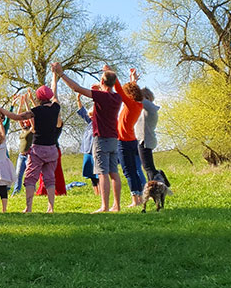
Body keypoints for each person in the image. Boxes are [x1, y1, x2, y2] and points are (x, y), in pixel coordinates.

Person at [54, 62, 123, 213]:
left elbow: (77, 88)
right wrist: (109, 73)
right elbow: (113, 85)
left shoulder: (101, 97)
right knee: (114, 173)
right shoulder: (117, 98)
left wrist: (61, 74)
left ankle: (104, 207)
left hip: (101, 139)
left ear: (102, 82)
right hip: (113, 139)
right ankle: (116, 205)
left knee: (102, 173)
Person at [0, 71, 61, 213]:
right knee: (50, 179)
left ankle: (29, 207)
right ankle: (50, 208)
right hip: (52, 149)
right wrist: (54, 75)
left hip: (38, 149)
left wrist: (3, 110)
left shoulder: (36, 111)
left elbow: (16, 117)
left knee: (30, 179)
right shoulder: (56, 108)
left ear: (38, 98)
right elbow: (54, 91)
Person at [112, 68, 145, 207]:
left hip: (123, 142)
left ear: (129, 95)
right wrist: (132, 79)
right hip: (132, 141)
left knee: (128, 171)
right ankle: (140, 198)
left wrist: (112, 75)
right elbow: (131, 90)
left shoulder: (130, 104)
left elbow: (119, 90)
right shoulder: (137, 104)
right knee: (134, 171)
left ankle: (135, 200)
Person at [76, 93, 100, 195]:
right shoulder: (89, 122)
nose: (90, 117)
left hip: (96, 151)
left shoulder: (100, 122)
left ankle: (101, 192)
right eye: (89, 115)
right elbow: (82, 112)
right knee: (90, 174)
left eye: (91, 115)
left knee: (98, 173)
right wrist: (78, 99)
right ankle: (96, 193)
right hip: (87, 151)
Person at [138, 87, 162, 182]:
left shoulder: (150, 108)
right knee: (148, 167)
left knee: (148, 167)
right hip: (145, 140)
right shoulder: (147, 109)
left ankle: (156, 186)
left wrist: (133, 82)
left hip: (145, 140)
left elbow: (138, 98)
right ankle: (159, 180)